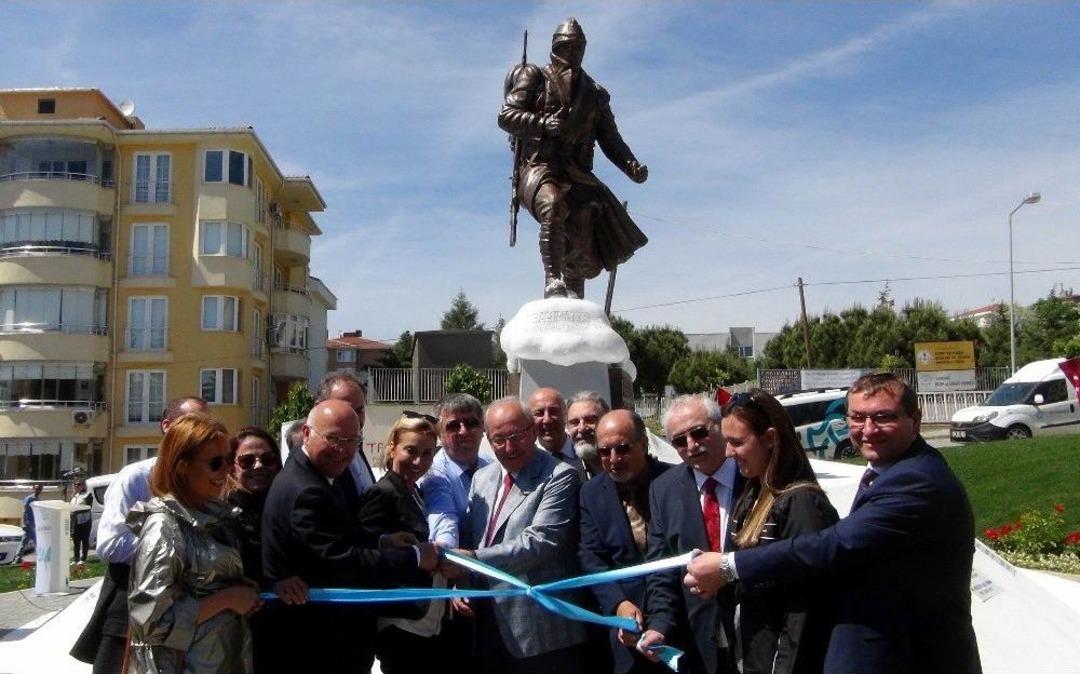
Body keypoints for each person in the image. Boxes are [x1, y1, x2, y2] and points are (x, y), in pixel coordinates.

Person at [684, 373, 982, 674]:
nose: (868, 429)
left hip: (913, 657)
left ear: (914, 420)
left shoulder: (918, 480)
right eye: (857, 417)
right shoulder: (886, 474)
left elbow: (833, 546)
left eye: (883, 417)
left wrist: (729, 566)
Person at [261, 399, 439, 674]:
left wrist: (383, 542)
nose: (343, 450)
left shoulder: (315, 474)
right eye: (333, 439)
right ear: (307, 434)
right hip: (321, 643)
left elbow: (336, 540)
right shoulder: (307, 489)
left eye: (352, 440)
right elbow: (343, 564)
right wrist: (414, 557)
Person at [499, 17, 649, 299]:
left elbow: (611, 139)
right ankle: (552, 280)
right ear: (557, 47)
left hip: (576, 172)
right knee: (553, 205)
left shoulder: (594, 94)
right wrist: (541, 123)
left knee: (584, 221)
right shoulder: (535, 77)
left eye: (578, 48)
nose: (573, 53)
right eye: (567, 47)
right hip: (539, 168)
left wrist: (631, 165)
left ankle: (574, 293)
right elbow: (506, 115)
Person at [447, 396, 585, 673]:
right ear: (488, 439)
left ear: (533, 431)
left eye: (516, 436)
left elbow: (539, 544)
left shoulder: (560, 476)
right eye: (499, 439)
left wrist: (472, 560)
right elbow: (472, 538)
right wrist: (461, 580)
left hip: (540, 634)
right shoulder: (482, 478)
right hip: (486, 625)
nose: (509, 447)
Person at [71, 396, 209, 672]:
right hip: (129, 610)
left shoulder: (207, 479)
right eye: (191, 423)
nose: (200, 433)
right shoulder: (136, 477)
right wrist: (176, 552)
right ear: (167, 426)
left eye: (206, 425)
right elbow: (111, 544)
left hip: (183, 612)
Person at [127, 413, 262, 674]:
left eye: (227, 460)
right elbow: (151, 623)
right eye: (215, 463)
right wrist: (227, 598)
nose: (226, 470)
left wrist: (238, 587)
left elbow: (201, 581)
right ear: (182, 466)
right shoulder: (164, 526)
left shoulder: (213, 516)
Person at [720, 390, 839, 674]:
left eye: (737, 442)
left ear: (771, 439)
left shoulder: (802, 503)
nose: (727, 452)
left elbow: (805, 609)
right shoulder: (752, 496)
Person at [638, 394, 743, 674]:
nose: (692, 446)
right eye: (679, 441)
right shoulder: (663, 490)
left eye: (698, 433)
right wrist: (659, 625)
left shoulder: (753, 477)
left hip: (756, 631)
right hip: (699, 643)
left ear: (720, 426)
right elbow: (661, 569)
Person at [578, 410, 670, 674]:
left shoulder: (675, 481)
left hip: (678, 620)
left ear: (643, 443)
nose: (613, 459)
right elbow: (590, 557)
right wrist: (617, 603)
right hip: (626, 628)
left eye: (622, 448)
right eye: (605, 451)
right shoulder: (591, 493)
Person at [357, 414, 443, 674]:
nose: (419, 461)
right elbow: (366, 554)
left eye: (427, 454)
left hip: (423, 617)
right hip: (399, 622)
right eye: (411, 451)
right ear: (392, 446)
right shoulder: (381, 493)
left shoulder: (413, 489)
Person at [419, 393, 489, 673]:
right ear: (439, 433)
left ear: (483, 428)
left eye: (471, 423)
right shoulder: (435, 475)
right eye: (453, 426)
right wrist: (457, 568)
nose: (463, 431)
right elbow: (443, 520)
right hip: (455, 595)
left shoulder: (492, 468)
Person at [528, 386, 587, 477]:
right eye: (539, 413)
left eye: (553, 411)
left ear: (565, 415)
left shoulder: (585, 450)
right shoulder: (526, 457)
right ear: (529, 419)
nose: (547, 420)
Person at [566, 390, 610, 479]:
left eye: (590, 420)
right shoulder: (568, 474)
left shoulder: (627, 466)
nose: (582, 428)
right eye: (574, 422)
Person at [14, 483, 42, 563]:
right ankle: (17, 560)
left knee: (34, 542)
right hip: (28, 524)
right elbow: (24, 510)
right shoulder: (29, 498)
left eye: (40, 489)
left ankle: (18, 559)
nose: (38, 490)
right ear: (34, 489)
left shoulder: (38, 500)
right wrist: (24, 523)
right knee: (25, 542)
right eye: (37, 489)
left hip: (35, 525)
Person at [70, 480, 93, 564]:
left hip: (84, 521)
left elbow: (88, 507)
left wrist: (76, 510)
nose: (76, 486)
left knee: (84, 540)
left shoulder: (87, 495)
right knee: (76, 541)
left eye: (79, 484)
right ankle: (76, 559)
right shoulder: (74, 496)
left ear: (83, 486)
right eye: (75, 484)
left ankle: (84, 558)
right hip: (75, 522)